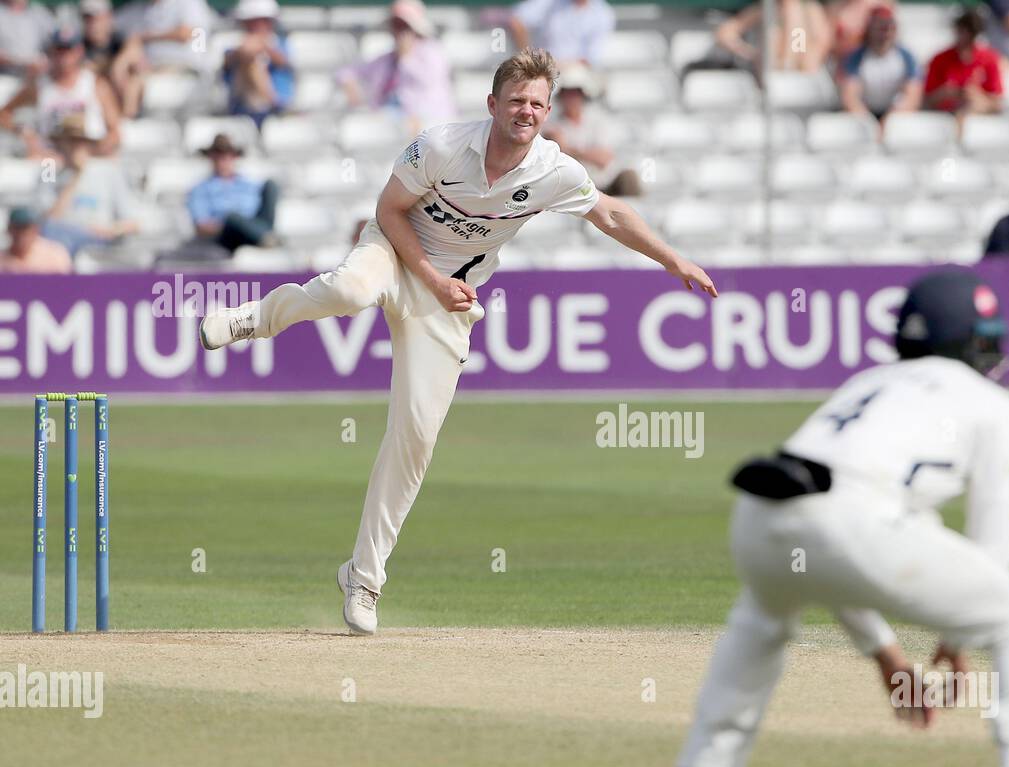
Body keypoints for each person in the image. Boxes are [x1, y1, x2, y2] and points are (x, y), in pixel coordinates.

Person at [198, 49, 717, 635]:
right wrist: (432, 278)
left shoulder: (553, 169)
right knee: (347, 288)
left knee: (416, 435)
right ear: (492, 103)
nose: (528, 111)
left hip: (450, 300)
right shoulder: (441, 144)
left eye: (538, 104)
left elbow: (610, 214)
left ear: (548, 112)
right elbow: (388, 210)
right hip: (395, 255)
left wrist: (672, 258)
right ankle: (258, 318)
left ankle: (363, 578)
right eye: (517, 100)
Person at [661, 269, 1009, 767]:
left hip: (760, 511)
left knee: (760, 625)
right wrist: (957, 640)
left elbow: (825, 549)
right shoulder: (992, 402)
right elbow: (994, 538)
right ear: (972, 341)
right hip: (851, 515)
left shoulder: (869, 380)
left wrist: (885, 655)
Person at [337, 0, 455, 136]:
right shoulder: (387, 58)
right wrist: (348, 81)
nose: (399, 31)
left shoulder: (433, 51)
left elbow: (428, 81)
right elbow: (349, 70)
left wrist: (406, 58)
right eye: (396, 25)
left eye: (404, 26)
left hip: (429, 121)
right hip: (391, 121)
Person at [0, 28, 121, 158]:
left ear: (79, 51)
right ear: (51, 52)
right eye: (59, 50)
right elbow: (3, 114)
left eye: (68, 50)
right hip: (51, 157)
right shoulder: (39, 85)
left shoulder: (95, 84)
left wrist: (96, 151)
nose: (63, 56)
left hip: (88, 155)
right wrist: (24, 132)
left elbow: (115, 131)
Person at [35, 114, 139, 257]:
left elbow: (132, 222)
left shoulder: (108, 170)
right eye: (69, 141)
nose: (74, 147)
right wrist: (76, 176)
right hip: (60, 245)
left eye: (79, 142)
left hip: (97, 246)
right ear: (60, 144)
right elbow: (49, 219)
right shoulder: (49, 170)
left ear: (88, 145)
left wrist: (110, 230)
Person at [544, 64, 640, 196]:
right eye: (568, 93)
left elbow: (604, 159)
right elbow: (558, 159)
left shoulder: (598, 120)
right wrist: (589, 154)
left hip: (605, 184)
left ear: (583, 95)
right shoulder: (551, 123)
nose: (572, 98)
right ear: (561, 96)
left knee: (629, 177)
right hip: (575, 186)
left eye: (576, 93)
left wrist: (571, 150)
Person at [186, 133, 279, 252]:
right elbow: (201, 226)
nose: (223, 162)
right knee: (232, 218)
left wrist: (248, 226)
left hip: (255, 226)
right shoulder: (200, 189)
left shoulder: (249, 184)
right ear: (211, 158)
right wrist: (233, 226)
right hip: (226, 236)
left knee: (271, 186)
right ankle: (266, 237)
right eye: (218, 157)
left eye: (227, 157)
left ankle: (264, 236)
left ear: (234, 157)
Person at [700, 0, 833, 75]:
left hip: (797, 82)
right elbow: (724, 33)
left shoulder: (810, 11)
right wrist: (750, 53)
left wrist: (790, 66)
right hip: (766, 80)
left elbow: (808, 54)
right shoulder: (765, 9)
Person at [837, 7, 920, 122]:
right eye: (880, 28)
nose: (885, 33)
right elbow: (850, 97)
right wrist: (868, 122)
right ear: (869, 29)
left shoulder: (906, 57)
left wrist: (889, 120)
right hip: (864, 115)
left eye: (889, 27)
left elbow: (912, 97)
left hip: (895, 116)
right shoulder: (855, 58)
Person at [222, 0, 294, 127]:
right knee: (251, 62)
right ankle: (272, 105)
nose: (259, 25)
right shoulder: (233, 45)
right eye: (253, 21)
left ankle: (272, 104)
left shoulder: (280, 43)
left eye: (264, 21)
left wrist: (263, 47)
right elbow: (227, 62)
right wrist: (246, 51)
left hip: (274, 106)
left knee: (253, 62)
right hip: (240, 107)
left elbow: (284, 62)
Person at [922, 9, 1003, 116]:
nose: (965, 37)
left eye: (971, 32)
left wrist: (978, 98)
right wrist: (946, 93)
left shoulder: (990, 59)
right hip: (943, 118)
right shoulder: (939, 59)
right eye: (962, 30)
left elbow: (997, 103)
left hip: (977, 119)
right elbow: (925, 101)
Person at [509, 0, 616, 68]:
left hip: (575, 73)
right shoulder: (548, 3)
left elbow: (589, 60)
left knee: (573, 85)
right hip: (542, 69)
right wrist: (527, 57)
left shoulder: (602, 12)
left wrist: (550, 65)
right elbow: (516, 20)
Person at [115, 0, 213, 73]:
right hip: (149, 66)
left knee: (135, 82)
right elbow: (110, 23)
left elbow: (185, 33)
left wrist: (145, 37)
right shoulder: (139, 9)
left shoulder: (188, 3)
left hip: (185, 66)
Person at [0, 206, 73, 273]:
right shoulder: (2, 259)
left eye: (27, 228)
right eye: (17, 228)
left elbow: (68, 284)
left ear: (36, 230)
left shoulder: (55, 254)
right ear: (9, 229)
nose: (22, 234)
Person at [0, 0, 56, 78]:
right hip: (6, 77)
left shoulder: (39, 13)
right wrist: (24, 64)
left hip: (37, 77)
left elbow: (56, 43)